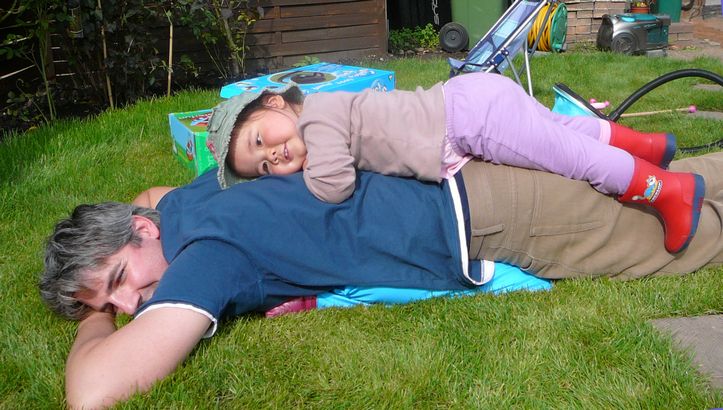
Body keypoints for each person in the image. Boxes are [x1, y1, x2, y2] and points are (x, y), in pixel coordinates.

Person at [39, 151, 723, 408]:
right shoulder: (191, 199)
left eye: (120, 279)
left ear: (143, 230)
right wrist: (105, 288)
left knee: (690, 237)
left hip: (495, 215)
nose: (131, 304)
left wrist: (92, 320)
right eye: (112, 303)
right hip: (464, 173)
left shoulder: (206, 256)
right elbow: (150, 193)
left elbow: (93, 393)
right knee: (680, 181)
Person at [206, 73, 705, 252]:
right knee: (561, 130)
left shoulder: (317, 120)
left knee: (569, 157)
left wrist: (285, 187)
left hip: (470, 120)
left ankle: (668, 191)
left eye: (260, 140)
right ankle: (646, 146)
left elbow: (334, 186)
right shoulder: (322, 115)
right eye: (264, 168)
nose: (273, 156)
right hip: (468, 99)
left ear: (275, 103)